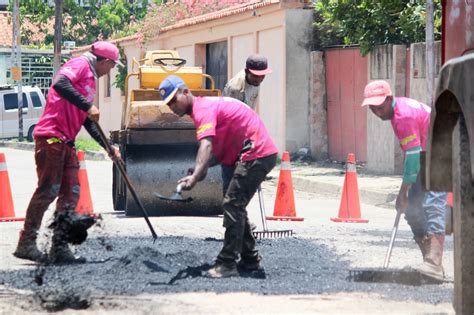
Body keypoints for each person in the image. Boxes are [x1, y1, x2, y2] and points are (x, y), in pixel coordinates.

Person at [13, 41, 122, 264]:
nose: (110, 71)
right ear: (105, 61)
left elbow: (88, 121)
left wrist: (108, 147)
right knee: (48, 190)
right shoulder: (80, 64)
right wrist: (87, 105)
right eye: (111, 67)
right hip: (51, 137)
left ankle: (60, 247)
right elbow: (60, 83)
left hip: (67, 142)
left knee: (71, 193)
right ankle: (26, 242)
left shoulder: (90, 79)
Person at [159, 75, 278, 278]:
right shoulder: (208, 107)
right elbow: (215, 152)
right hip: (253, 153)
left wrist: (196, 176)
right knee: (236, 206)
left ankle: (227, 264)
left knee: (232, 205)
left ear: (186, 92)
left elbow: (205, 144)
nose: (172, 106)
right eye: (168, 104)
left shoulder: (202, 109)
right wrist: (200, 169)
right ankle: (250, 261)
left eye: (174, 100)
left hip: (256, 153)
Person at [361, 80, 447, 281]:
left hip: (442, 151)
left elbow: (412, 159)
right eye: (373, 108)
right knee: (410, 209)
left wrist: (402, 192)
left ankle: (434, 262)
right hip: (427, 153)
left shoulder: (403, 116)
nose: (378, 112)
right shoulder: (397, 111)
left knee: (433, 204)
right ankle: (430, 261)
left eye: (380, 107)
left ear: (390, 99)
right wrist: (406, 195)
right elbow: (415, 157)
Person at [221, 54, 272, 194]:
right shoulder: (236, 89)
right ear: (247, 71)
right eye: (256, 76)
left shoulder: (255, 82)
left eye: (262, 76)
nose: (260, 79)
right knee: (230, 171)